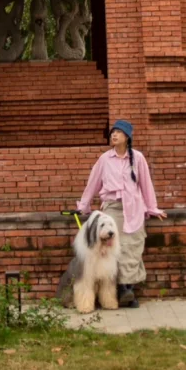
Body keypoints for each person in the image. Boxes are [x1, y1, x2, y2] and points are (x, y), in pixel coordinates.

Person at [77, 118, 166, 308]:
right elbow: (93, 183)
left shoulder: (138, 158)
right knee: (108, 250)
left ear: (127, 136)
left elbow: (146, 185)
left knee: (132, 248)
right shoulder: (104, 159)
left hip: (133, 208)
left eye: (118, 132)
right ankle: (112, 291)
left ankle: (127, 289)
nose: (114, 135)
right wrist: (83, 206)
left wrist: (152, 207)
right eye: (112, 132)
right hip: (112, 209)